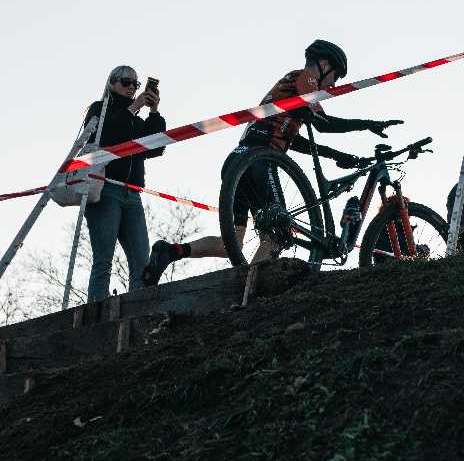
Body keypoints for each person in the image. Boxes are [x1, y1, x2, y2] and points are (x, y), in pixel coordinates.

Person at [142, 40, 403, 285]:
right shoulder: (305, 78)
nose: (334, 85)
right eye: (335, 76)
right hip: (260, 162)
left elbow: (292, 139)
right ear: (323, 65)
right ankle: (250, 290)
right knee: (278, 234)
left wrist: (335, 155)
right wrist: (367, 124)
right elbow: (324, 124)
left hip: (239, 159)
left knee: (232, 242)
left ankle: (172, 251)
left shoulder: (288, 87)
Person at [84, 65, 166, 301]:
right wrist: (133, 108)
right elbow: (108, 135)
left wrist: (154, 111)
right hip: (105, 189)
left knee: (142, 262)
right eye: (125, 82)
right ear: (111, 83)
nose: (131, 87)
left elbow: (156, 147)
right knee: (103, 260)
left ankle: (137, 308)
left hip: (132, 194)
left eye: (135, 84)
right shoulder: (99, 109)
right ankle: (96, 310)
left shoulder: (135, 120)